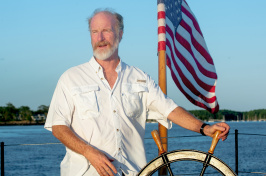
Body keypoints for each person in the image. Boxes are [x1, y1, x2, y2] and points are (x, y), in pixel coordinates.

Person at [44, 9, 230, 176]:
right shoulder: (71, 78)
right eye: (94, 32)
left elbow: (169, 109)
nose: (100, 37)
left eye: (106, 30)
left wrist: (204, 128)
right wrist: (89, 153)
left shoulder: (139, 77)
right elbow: (58, 127)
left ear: (120, 34)